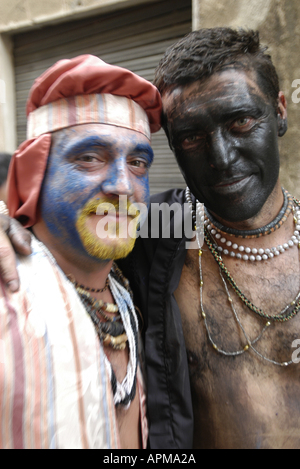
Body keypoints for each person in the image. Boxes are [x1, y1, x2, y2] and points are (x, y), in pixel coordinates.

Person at [1, 28, 300, 450]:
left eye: (241, 121)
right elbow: (70, 223)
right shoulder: (167, 227)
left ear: (280, 110)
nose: (222, 158)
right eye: (192, 138)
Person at [0, 53, 162, 449]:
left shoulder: (133, 287)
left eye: (138, 162)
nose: (122, 185)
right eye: (90, 157)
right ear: (33, 172)